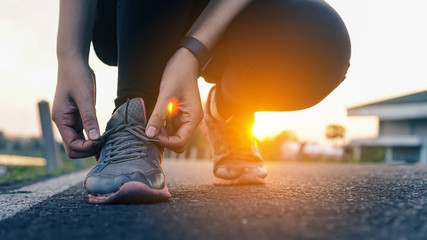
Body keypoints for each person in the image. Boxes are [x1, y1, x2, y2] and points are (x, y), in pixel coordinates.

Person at [53, 0, 351, 204]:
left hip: (228, 13)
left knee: (322, 42)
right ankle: (136, 117)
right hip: (130, 12)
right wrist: (69, 55)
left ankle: (228, 112)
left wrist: (193, 50)